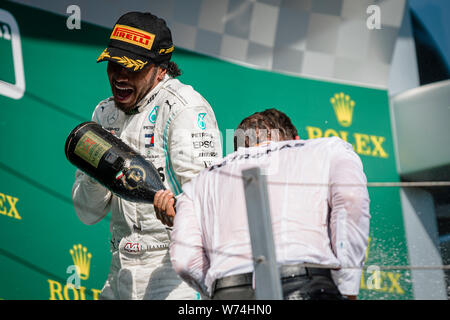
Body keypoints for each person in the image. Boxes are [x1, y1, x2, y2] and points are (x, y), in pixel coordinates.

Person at [71, 11, 222, 300]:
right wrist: (98, 168)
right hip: (120, 268)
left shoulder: (185, 108)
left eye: (133, 67)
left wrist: (178, 212)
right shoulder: (104, 114)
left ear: (161, 69)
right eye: (114, 64)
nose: (120, 76)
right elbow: (87, 213)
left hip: (174, 271)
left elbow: (209, 205)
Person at [154, 108, 370, 300]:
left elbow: (184, 261)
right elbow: (350, 200)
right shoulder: (328, 149)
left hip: (229, 291)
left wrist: (217, 291)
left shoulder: (201, 180)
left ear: (237, 150)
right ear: (295, 139)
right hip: (306, 284)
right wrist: (347, 284)